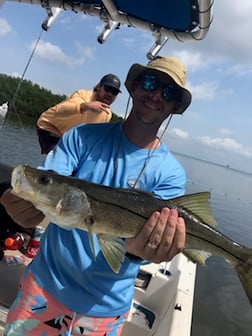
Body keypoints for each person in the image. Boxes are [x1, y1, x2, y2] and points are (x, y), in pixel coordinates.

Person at [1, 55, 192, 336]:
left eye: (168, 92)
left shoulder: (171, 174)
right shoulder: (82, 137)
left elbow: (141, 247)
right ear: (135, 86)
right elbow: (49, 180)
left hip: (105, 308)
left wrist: (143, 251)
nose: (155, 95)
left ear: (176, 105)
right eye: (151, 83)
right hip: (43, 288)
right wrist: (18, 200)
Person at [36, 73, 121, 154]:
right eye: (107, 89)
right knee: (60, 160)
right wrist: (86, 106)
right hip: (49, 128)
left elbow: (93, 135)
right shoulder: (82, 95)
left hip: (69, 138)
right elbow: (60, 111)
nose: (110, 94)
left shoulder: (107, 114)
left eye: (114, 92)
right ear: (99, 87)